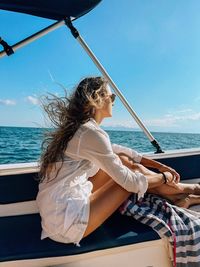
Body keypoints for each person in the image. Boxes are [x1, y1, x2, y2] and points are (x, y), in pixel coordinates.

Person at [36, 76, 200, 246]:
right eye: (111, 97)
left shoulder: (83, 129)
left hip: (57, 208)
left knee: (124, 161)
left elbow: (119, 151)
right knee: (131, 176)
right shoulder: (89, 132)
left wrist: (160, 166)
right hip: (65, 223)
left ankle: (183, 194)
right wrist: (164, 177)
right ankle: (189, 190)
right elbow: (131, 183)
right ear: (97, 99)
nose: (114, 101)